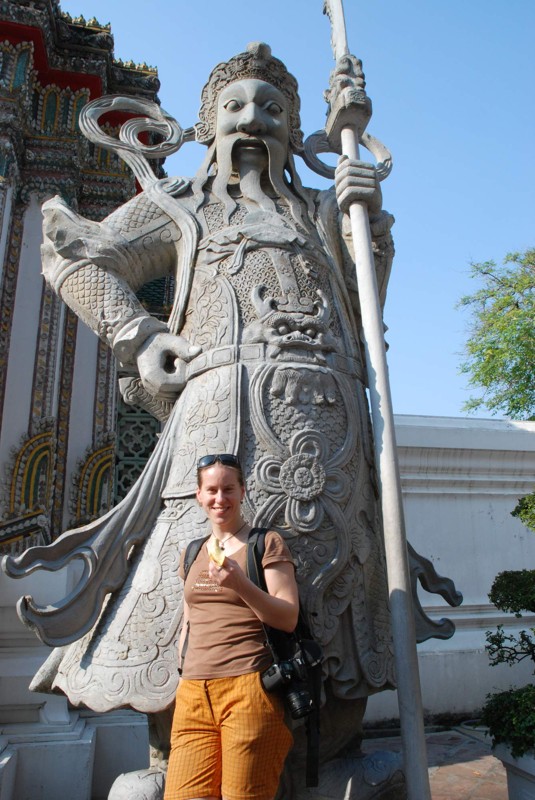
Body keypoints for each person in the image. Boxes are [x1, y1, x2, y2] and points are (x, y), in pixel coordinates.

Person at [4, 42, 396, 788]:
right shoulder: (180, 207)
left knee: (333, 579)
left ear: (293, 131)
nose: (256, 120)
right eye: (238, 107)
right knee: (202, 574)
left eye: (275, 110)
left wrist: (365, 221)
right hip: (223, 419)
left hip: (331, 421)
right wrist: (138, 335)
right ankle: (176, 754)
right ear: (210, 125)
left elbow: (365, 305)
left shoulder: (317, 214)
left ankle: (325, 748)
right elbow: (75, 259)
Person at [164, 452, 298, 800]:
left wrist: (241, 584)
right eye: (211, 490)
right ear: (199, 495)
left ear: (242, 491)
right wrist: (182, 671)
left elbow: (287, 616)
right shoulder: (192, 552)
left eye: (227, 489)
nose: (219, 499)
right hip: (194, 694)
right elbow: (189, 619)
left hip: (248, 689)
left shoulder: (265, 543)